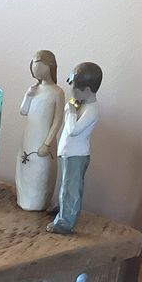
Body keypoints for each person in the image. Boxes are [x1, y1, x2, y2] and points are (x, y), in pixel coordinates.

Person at [47, 62, 102, 234]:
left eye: (75, 90)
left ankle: (65, 222)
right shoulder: (82, 103)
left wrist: (69, 111)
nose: (72, 94)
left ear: (86, 90)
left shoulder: (91, 111)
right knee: (65, 185)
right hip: (68, 153)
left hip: (76, 155)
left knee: (71, 189)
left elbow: (73, 130)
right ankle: (63, 209)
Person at [15, 50, 64, 211]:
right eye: (34, 64)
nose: (35, 68)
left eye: (39, 64)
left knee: (40, 171)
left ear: (49, 66)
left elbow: (57, 121)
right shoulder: (33, 89)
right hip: (28, 138)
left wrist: (47, 143)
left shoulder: (57, 92)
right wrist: (28, 96)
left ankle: (40, 202)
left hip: (43, 140)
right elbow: (23, 111)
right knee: (26, 170)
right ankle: (24, 200)